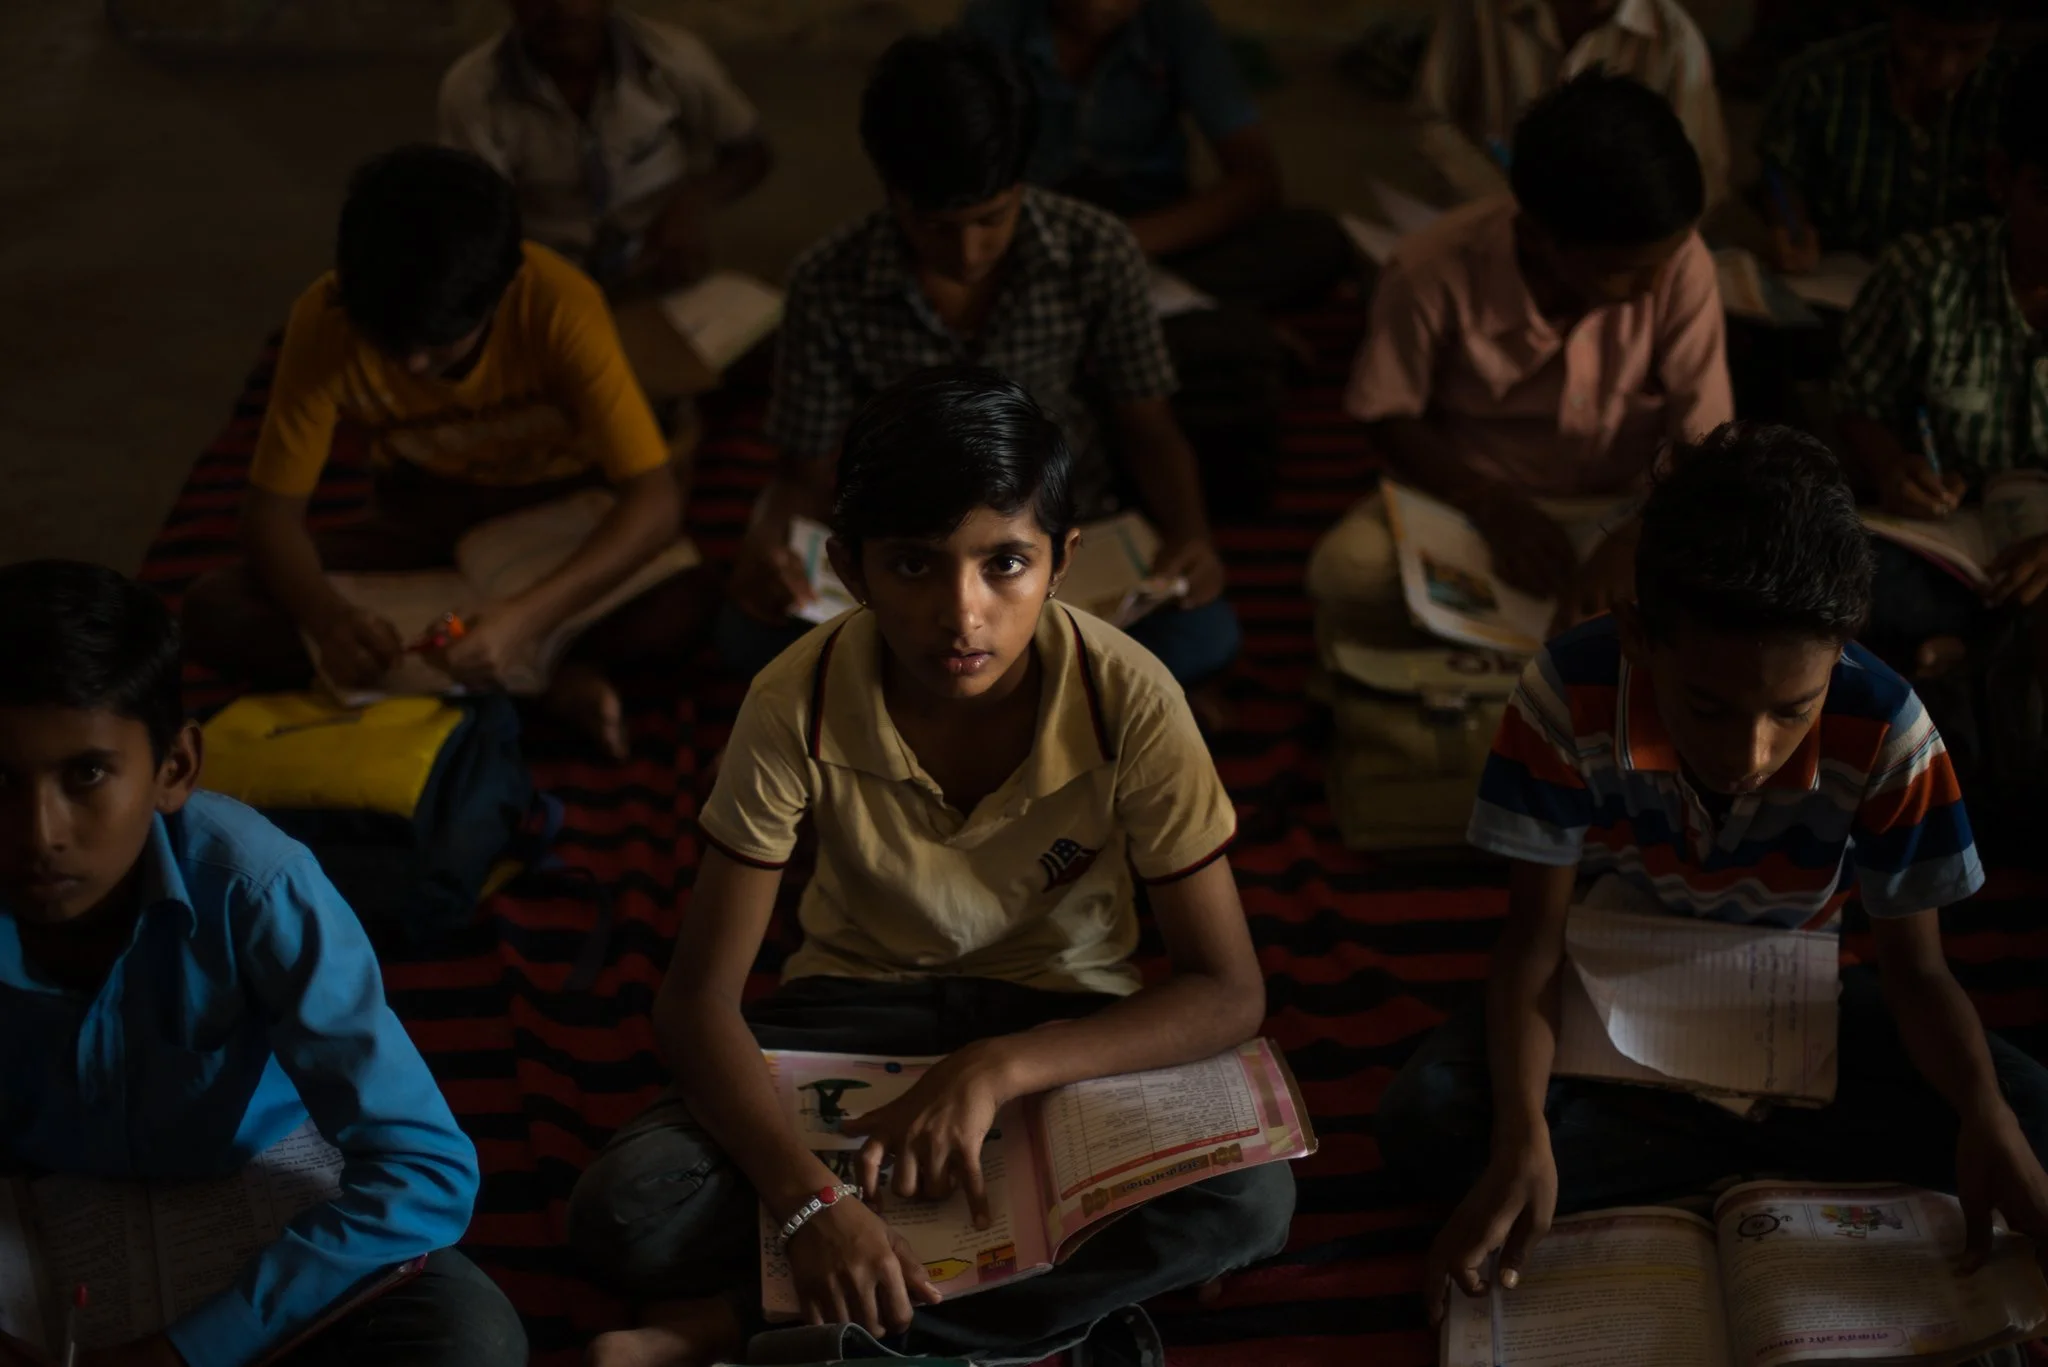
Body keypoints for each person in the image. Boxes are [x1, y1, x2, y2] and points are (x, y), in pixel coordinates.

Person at [566, 367, 1293, 1367]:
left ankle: (738, 1322)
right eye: (913, 565)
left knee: (1250, 1195)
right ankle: (1044, 1301)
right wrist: (811, 1200)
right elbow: (695, 1004)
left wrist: (995, 1066)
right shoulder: (794, 700)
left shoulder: (1131, 697)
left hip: (1057, 1036)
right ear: (849, 570)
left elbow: (1226, 987)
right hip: (848, 1019)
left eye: (1003, 563)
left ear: (1062, 561)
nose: (963, 615)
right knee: (626, 1208)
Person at [1373, 424, 2048, 1329]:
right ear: (1641, 635)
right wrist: (1520, 1129)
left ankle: (1630, 1161)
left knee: (2025, 1116)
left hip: (1795, 1000)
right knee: (1428, 1118)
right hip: (1607, 997)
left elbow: (1918, 974)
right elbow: (1532, 943)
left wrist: (1984, 1114)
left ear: (1842, 647)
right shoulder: (1567, 695)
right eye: (1708, 706)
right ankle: (1742, 1157)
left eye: (1792, 710)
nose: (1750, 752)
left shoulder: (1888, 729)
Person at [0, 560, 526, 1367]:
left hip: (251, 1185)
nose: (41, 834)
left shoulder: (256, 887)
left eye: (88, 774)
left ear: (175, 768)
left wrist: (182, 1353)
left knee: (467, 1342)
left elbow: (425, 1166)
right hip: (41, 1214)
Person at [718, 32, 1239, 689]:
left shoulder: (1097, 252)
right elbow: (805, 471)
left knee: (1201, 629)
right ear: (891, 192)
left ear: (1024, 180)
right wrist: (769, 544)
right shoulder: (828, 281)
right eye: (936, 226)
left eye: (990, 219)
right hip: (908, 552)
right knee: (752, 632)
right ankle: (1048, 697)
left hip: (1057, 552)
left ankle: (945, 701)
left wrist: (1190, 535)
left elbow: (1150, 429)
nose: (967, 253)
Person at [180, 146, 696, 760]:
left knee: (684, 602)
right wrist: (330, 620)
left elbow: (655, 498)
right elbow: (268, 518)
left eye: (440, 344)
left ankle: (483, 672)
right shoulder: (325, 320)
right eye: (389, 340)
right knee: (218, 608)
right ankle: (544, 680)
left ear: (501, 292)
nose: (413, 364)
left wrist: (524, 617)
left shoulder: (557, 302)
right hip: (421, 512)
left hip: (553, 507)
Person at [1309, 71, 1731, 650]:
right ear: (1537, 238)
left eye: (1664, 261)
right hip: (1476, 501)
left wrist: (1637, 537)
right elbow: (1387, 416)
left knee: (1739, 585)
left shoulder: (1683, 265)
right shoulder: (1431, 268)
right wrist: (1488, 504)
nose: (1653, 285)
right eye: (1625, 270)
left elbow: (1700, 441)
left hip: (1632, 508)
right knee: (1346, 575)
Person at [957, 0, 1355, 508]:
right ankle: (1183, 319)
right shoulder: (993, 25)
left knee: (1315, 240)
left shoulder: (1177, 22)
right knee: (968, 254)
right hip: (1033, 238)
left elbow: (1254, 178)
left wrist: (1128, 244)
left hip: (1156, 232)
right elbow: (966, 180)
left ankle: (1129, 313)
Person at [1834, 42, 2048, 678]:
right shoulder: (1923, 275)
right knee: (1840, 582)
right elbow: (1859, 407)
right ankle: (1985, 654)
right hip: (1951, 540)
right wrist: (1893, 466)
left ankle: (1973, 658)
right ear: (2000, 180)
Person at [438, 0, 771, 292]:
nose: (560, 6)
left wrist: (691, 206)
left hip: (662, 271)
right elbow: (476, 220)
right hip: (546, 281)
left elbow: (751, 152)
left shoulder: (675, 60)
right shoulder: (473, 92)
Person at [1758, 0, 2013, 272]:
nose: (1944, 67)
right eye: (1921, 41)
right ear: (1893, 11)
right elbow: (1779, 171)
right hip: (1837, 275)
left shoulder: (2013, 89)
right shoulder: (1819, 78)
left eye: (1968, 47)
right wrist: (1791, 228)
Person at [1411, 0, 1730, 210]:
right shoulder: (1481, 9)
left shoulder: (1673, 40)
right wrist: (1501, 203)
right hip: (1488, 225)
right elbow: (1431, 117)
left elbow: (1699, 173)